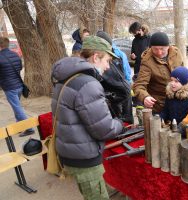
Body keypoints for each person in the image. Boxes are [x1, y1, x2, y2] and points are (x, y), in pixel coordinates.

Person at [51, 36, 124, 200]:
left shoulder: (67, 76)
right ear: (95, 57)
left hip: (71, 151)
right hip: (83, 156)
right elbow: (104, 129)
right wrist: (119, 123)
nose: (107, 67)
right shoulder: (87, 83)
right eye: (107, 61)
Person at [132, 31, 184, 113]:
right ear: (150, 48)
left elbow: (184, 74)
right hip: (159, 105)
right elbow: (139, 85)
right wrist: (145, 97)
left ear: (168, 47)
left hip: (179, 101)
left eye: (162, 49)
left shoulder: (177, 53)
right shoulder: (147, 61)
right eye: (155, 49)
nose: (159, 52)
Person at [96, 31, 133, 123]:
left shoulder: (119, 54)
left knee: (127, 124)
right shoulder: (98, 62)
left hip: (126, 98)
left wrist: (128, 84)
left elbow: (126, 71)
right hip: (113, 101)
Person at [0, 37, 34, 137]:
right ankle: (19, 126)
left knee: (17, 107)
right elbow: (19, 67)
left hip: (9, 87)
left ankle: (29, 128)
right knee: (17, 106)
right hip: (19, 85)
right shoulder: (15, 55)